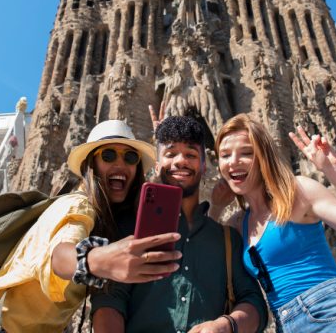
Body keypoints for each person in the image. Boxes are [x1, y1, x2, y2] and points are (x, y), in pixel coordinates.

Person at [0, 120, 183, 333]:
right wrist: (98, 260)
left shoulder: (100, 217)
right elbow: (61, 257)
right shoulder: (77, 205)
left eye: (131, 157)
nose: (120, 164)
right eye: (108, 154)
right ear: (90, 165)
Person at [213, 114, 336, 333]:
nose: (233, 161)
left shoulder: (297, 193)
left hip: (331, 312)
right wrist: (216, 206)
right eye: (225, 155)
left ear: (264, 157)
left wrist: (335, 172)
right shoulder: (238, 224)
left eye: (247, 153)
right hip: (285, 323)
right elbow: (203, 254)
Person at [91, 114, 267, 333]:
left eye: (191, 154)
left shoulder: (227, 239)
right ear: (157, 166)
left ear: (204, 166)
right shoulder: (131, 229)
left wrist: (226, 326)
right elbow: (109, 300)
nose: (180, 161)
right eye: (170, 153)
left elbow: (254, 303)